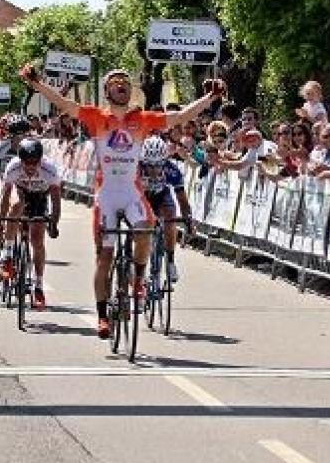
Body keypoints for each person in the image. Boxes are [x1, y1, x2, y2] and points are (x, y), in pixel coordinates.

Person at [20, 63, 224, 340]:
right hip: (106, 195)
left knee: (146, 230)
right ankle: (103, 316)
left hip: (131, 192)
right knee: (104, 258)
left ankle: (139, 279)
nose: (122, 85)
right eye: (116, 81)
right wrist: (38, 85)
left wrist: (209, 99)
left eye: (126, 82)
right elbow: (64, 104)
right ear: (107, 90)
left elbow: (179, 117)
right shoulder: (95, 116)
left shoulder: (142, 119)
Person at [0, 137, 61, 309]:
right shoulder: (14, 167)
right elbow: (6, 195)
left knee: (37, 240)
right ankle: (7, 254)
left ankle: (38, 286)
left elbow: (55, 200)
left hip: (40, 196)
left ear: (40, 160)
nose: (31, 167)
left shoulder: (50, 170)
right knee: (16, 206)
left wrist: (54, 223)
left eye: (34, 162)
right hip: (20, 191)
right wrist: (1, 217)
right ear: (20, 160)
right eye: (27, 163)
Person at [139, 135, 192, 284]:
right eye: (149, 165)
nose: (154, 170)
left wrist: (188, 220)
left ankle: (170, 261)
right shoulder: (135, 168)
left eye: (158, 165)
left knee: (170, 218)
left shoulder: (172, 170)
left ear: (164, 162)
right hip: (141, 198)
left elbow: (182, 199)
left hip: (162, 197)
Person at [0, 116, 31, 280]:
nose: (21, 138)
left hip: (29, 186)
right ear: (10, 135)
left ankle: (24, 252)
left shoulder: (34, 148)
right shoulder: (0, 149)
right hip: (7, 186)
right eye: (17, 135)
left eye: (25, 134)